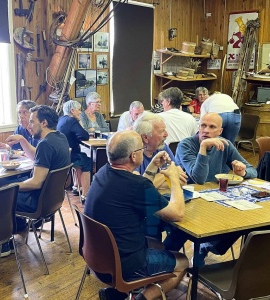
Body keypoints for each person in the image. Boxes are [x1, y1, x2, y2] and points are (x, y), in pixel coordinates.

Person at [84, 130, 188, 300]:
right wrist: (175, 178)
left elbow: (141, 184)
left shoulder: (103, 172)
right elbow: (177, 213)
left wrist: (153, 165)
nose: (145, 150)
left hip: (97, 259)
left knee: (157, 244)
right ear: (133, 156)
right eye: (142, 149)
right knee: (183, 262)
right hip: (126, 266)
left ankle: (119, 294)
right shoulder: (136, 185)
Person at [170, 112, 257, 264]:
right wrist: (203, 148)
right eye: (203, 125)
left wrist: (242, 171)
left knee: (243, 221)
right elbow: (199, 179)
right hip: (189, 201)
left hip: (216, 199)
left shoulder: (225, 144)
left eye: (212, 127)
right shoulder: (186, 145)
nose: (206, 130)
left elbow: (252, 170)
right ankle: (176, 257)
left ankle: (207, 247)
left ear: (220, 131)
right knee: (182, 230)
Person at [5, 105, 70, 217]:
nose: (29, 126)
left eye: (32, 122)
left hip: (37, 202)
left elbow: (36, 183)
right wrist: (22, 139)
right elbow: (38, 157)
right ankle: (21, 228)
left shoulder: (45, 144)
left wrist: (11, 186)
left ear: (44, 123)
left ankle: (10, 232)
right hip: (54, 199)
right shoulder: (60, 137)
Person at [133, 113, 188, 189]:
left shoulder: (162, 147)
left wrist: (153, 183)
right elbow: (139, 187)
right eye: (161, 132)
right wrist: (167, 174)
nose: (166, 134)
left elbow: (182, 181)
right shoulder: (133, 154)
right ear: (145, 137)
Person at [57, 100, 91, 201]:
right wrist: (79, 122)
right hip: (70, 156)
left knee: (80, 158)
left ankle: (76, 187)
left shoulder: (62, 119)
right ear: (72, 111)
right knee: (86, 162)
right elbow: (84, 135)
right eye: (78, 110)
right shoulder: (72, 121)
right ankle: (86, 195)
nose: (80, 112)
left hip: (63, 154)